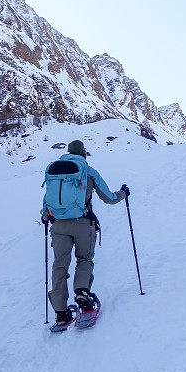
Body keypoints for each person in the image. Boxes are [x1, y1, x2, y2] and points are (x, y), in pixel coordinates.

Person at [41, 139, 129, 326]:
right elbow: (109, 198)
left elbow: (47, 200)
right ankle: (82, 294)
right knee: (84, 259)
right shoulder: (88, 171)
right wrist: (123, 193)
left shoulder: (55, 172)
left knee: (59, 265)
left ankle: (60, 312)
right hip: (82, 223)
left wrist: (45, 216)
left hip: (58, 226)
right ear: (84, 154)